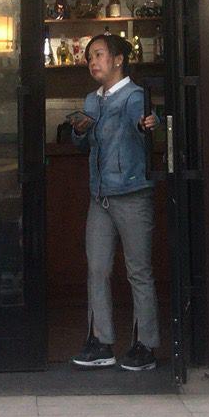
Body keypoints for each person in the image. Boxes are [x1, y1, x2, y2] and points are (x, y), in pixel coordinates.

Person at [68, 33, 159, 371]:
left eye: (99, 55)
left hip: (132, 194)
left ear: (119, 60)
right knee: (97, 269)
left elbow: (145, 122)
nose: (93, 62)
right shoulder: (92, 101)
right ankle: (101, 342)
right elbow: (83, 145)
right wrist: (79, 130)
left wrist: (148, 123)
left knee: (139, 272)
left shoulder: (135, 96)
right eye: (89, 57)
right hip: (101, 196)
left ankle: (145, 345)